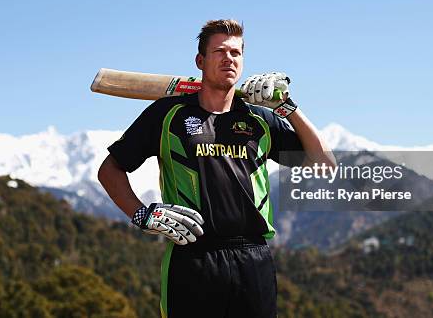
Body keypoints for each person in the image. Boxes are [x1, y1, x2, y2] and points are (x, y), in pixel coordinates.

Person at [97, 19, 335, 318]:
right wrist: (141, 214)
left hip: (254, 259)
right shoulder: (168, 115)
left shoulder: (260, 119)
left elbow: (325, 164)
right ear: (200, 60)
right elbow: (110, 170)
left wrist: (287, 108)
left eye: (236, 53)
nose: (228, 58)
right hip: (192, 256)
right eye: (220, 51)